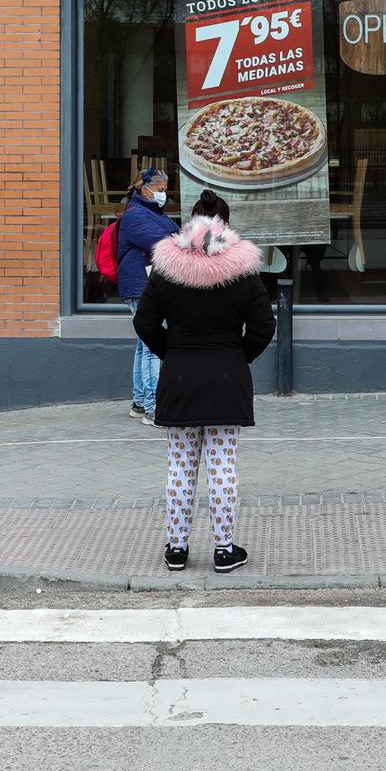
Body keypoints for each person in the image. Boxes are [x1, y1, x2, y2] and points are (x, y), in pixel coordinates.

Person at [133, 210, 276, 575]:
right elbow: (263, 325)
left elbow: (144, 322)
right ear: (225, 236)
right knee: (222, 467)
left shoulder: (167, 274)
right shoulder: (242, 275)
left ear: (186, 235)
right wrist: (239, 355)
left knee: (180, 467)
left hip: (180, 378)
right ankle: (224, 549)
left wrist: (172, 352)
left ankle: (177, 548)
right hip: (228, 378)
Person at [117, 167, 178, 420]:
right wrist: (177, 237)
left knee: (144, 345)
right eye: (161, 190)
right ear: (146, 189)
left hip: (142, 284)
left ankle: (140, 401)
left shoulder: (152, 212)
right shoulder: (137, 215)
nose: (164, 195)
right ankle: (153, 408)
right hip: (142, 286)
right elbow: (164, 243)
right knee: (152, 346)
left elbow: (176, 234)